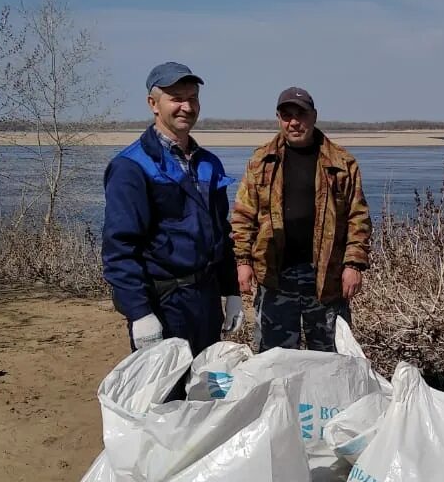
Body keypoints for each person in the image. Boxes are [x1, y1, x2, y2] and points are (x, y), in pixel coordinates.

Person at [102, 61, 244, 355]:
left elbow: (221, 233)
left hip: (205, 298)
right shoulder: (132, 167)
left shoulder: (208, 163)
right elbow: (119, 248)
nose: (186, 107)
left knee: (206, 388)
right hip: (163, 301)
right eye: (176, 98)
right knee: (166, 395)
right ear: (153, 104)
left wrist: (231, 291)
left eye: (192, 98)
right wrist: (139, 312)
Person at [231, 86, 371, 352]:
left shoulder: (342, 163)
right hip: (275, 275)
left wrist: (353, 264)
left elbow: (358, 218)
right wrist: (243, 262)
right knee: (274, 358)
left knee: (332, 357)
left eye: (301, 114)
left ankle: (327, 396)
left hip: (325, 277)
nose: (294, 122)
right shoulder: (261, 161)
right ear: (278, 118)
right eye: (287, 115)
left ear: (314, 116)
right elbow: (243, 215)